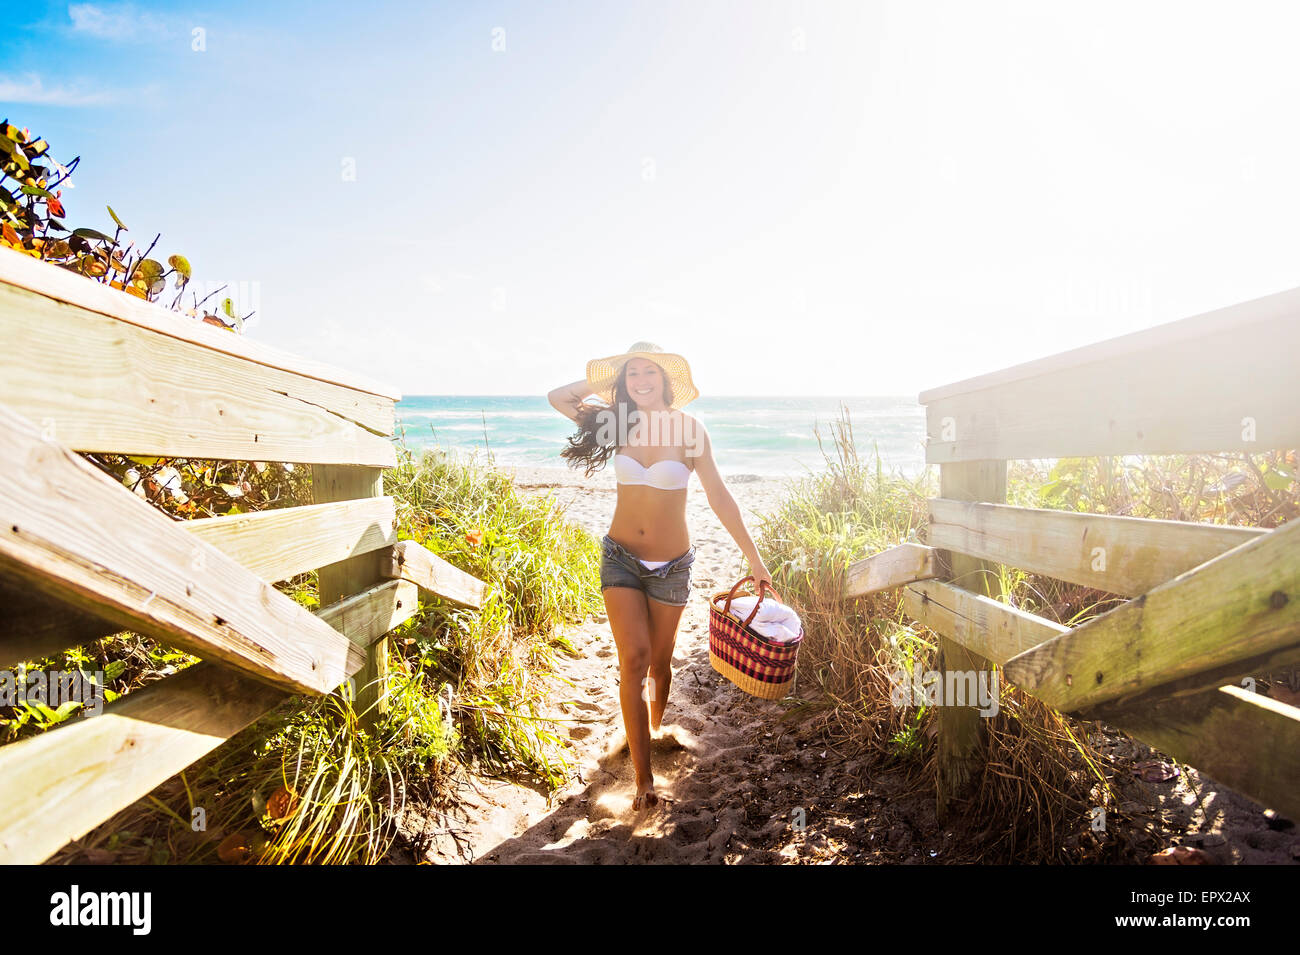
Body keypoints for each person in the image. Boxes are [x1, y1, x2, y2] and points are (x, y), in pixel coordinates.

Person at [547, 341, 775, 810]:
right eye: (632, 374)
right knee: (634, 658)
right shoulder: (617, 421)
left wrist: (755, 560)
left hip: (672, 566)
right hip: (621, 558)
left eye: (649, 371)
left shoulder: (690, 430)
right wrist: (608, 380)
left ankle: (651, 728)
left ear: (666, 379)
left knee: (659, 663)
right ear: (623, 382)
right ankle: (643, 778)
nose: (641, 380)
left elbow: (718, 494)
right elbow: (559, 396)